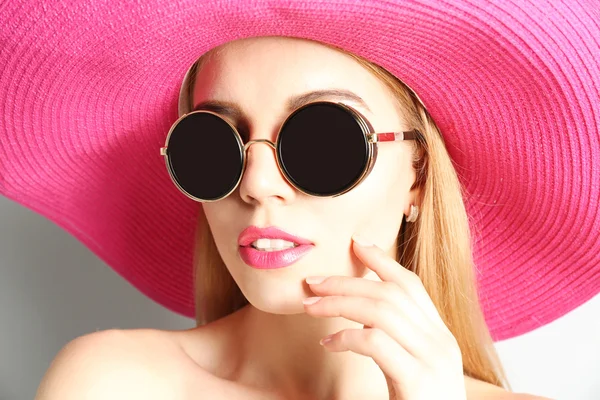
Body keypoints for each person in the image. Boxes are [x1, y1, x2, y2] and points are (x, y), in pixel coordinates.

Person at [0, 1, 597, 399]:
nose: (256, 183)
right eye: (213, 144)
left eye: (322, 141)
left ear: (416, 177)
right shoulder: (114, 384)